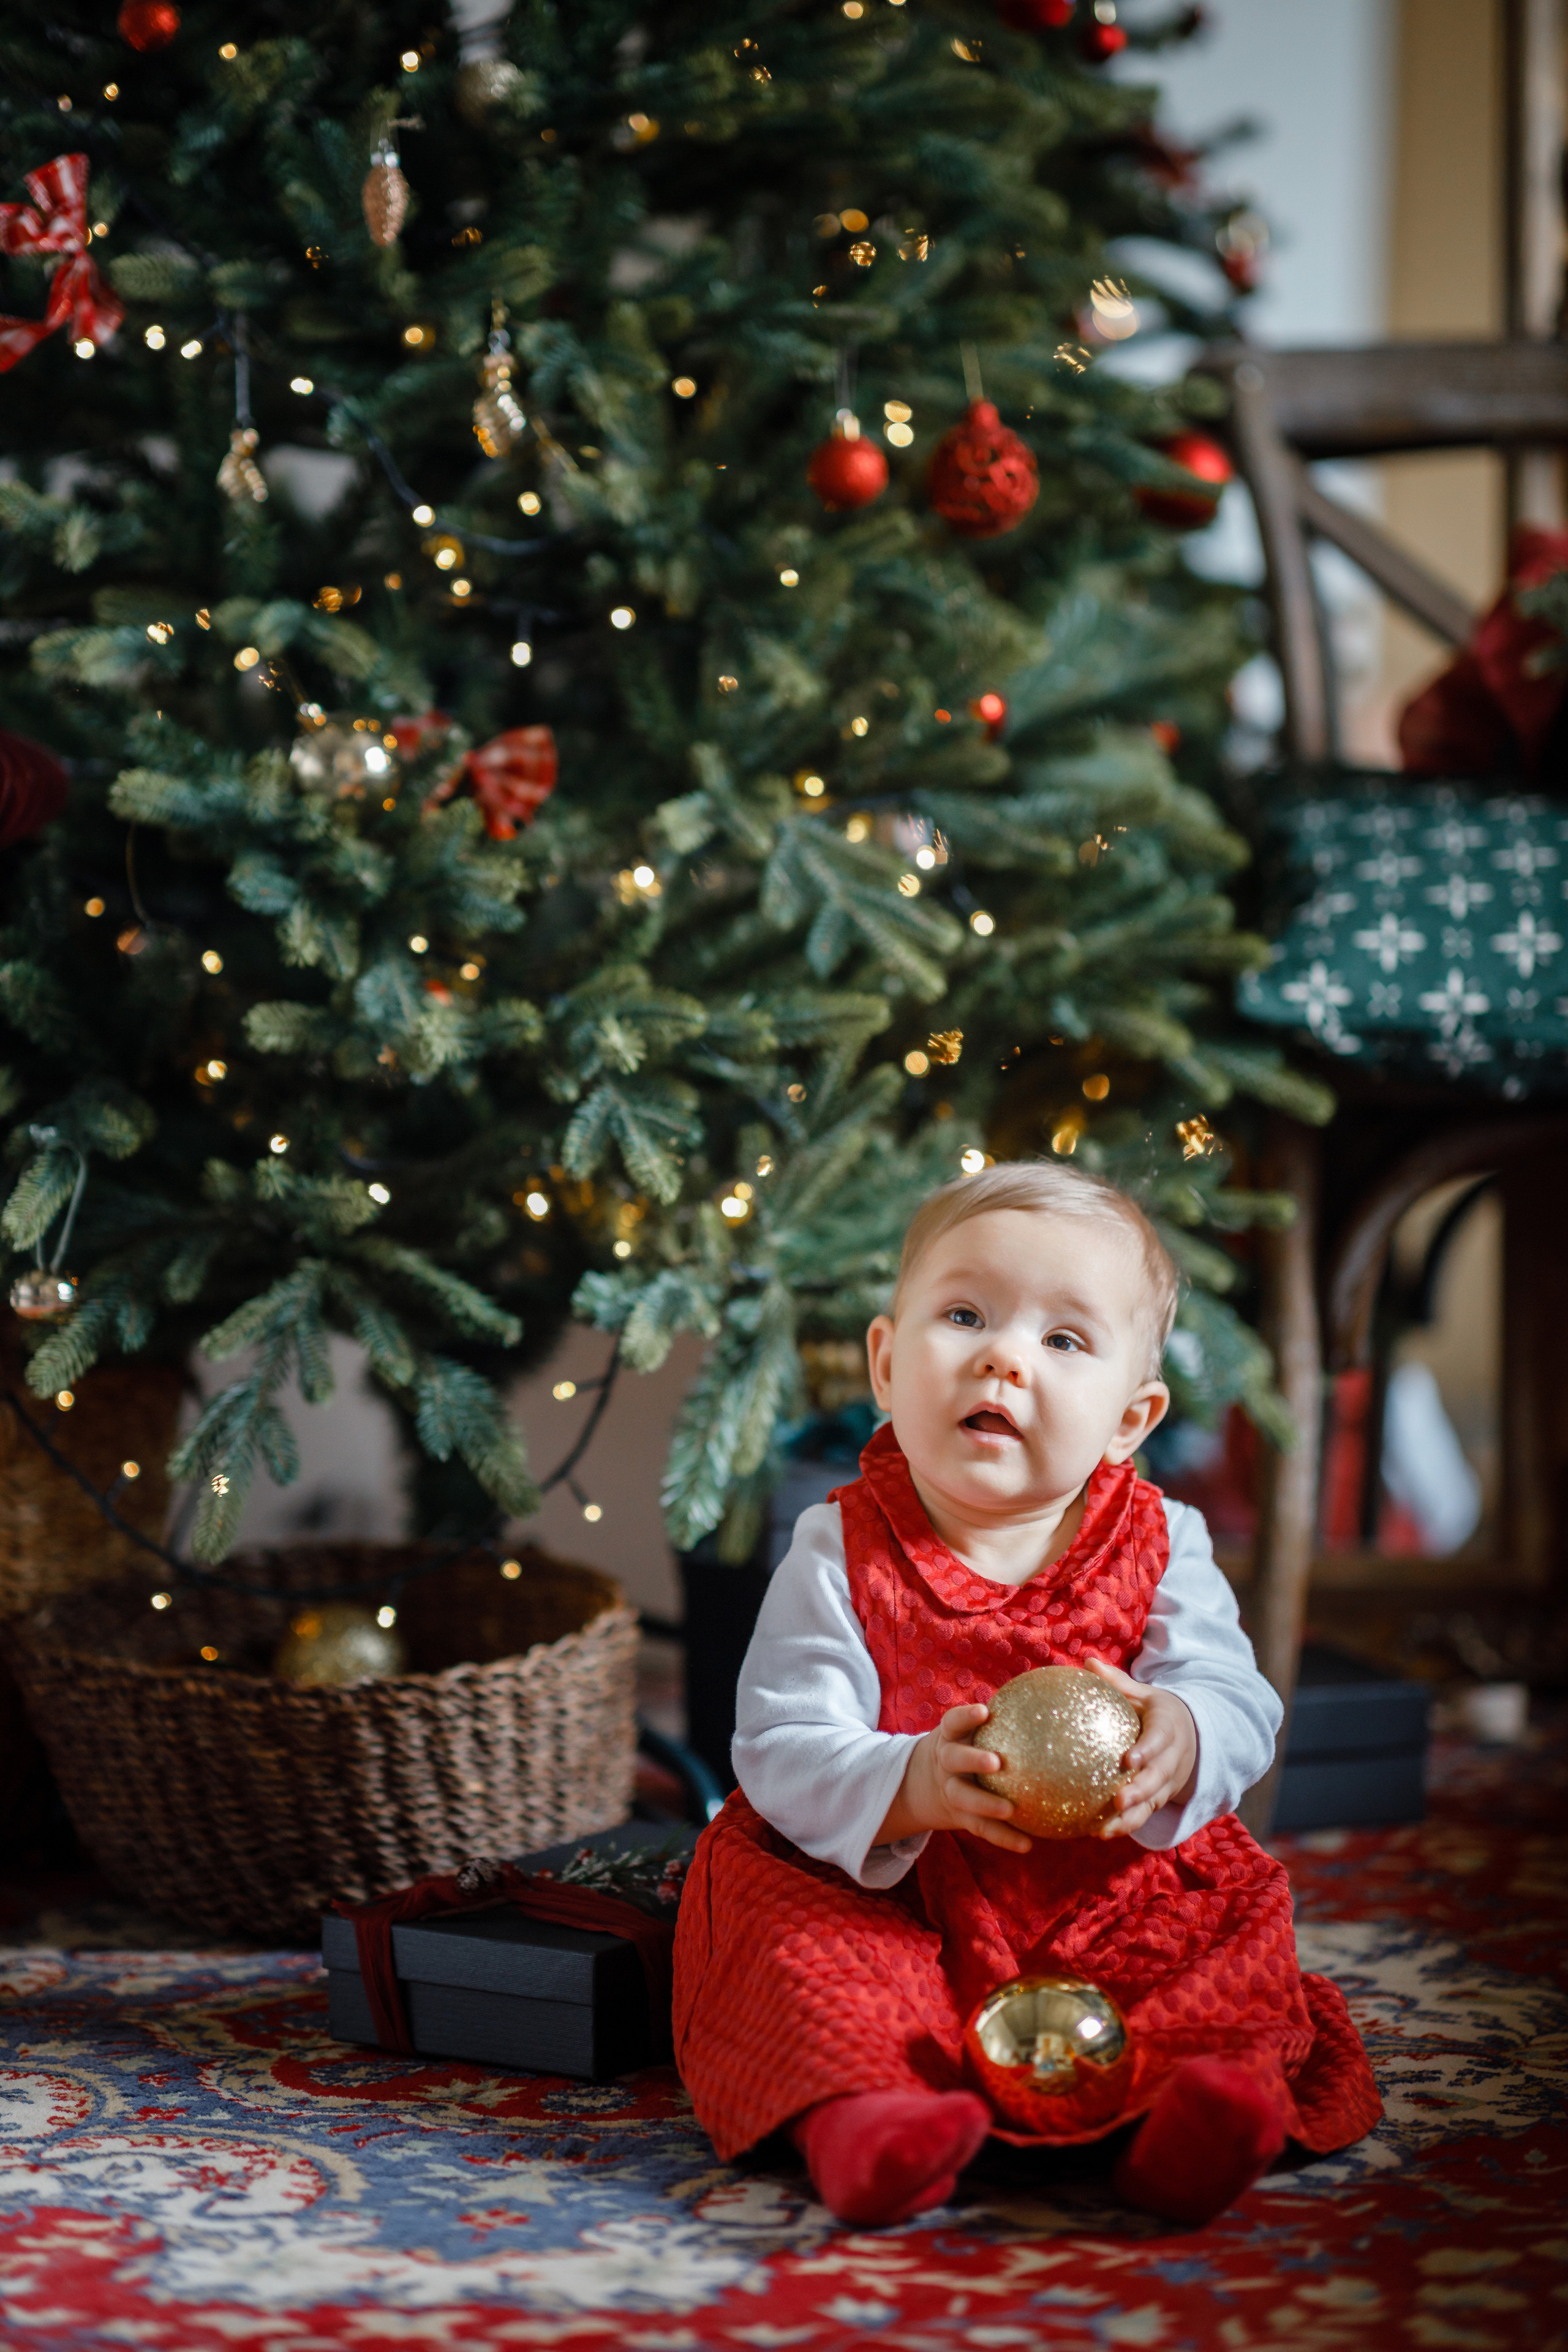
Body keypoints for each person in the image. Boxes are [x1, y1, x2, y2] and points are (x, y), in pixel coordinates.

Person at [673, 1161, 1381, 2228]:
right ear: (885, 1360)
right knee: (793, 1946)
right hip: (896, 1885)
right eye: (964, 1315)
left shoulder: (1162, 1538)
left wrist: (1182, 1733)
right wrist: (908, 1780)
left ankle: (1191, 2118)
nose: (1003, 1355)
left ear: (1130, 1419)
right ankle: (861, 2120)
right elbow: (781, 1741)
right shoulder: (840, 1547)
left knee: (1232, 1935)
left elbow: (1236, 1694)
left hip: (1110, 1888)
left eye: (1064, 1341)